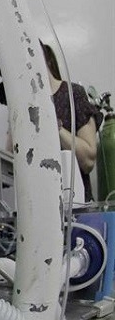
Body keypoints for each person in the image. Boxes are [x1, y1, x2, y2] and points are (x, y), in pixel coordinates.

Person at [40, 42, 101, 201]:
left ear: (45, 59)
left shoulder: (73, 94)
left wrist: (54, 125)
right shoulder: (24, 105)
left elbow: (88, 161)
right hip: (41, 207)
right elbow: (10, 165)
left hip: (76, 208)